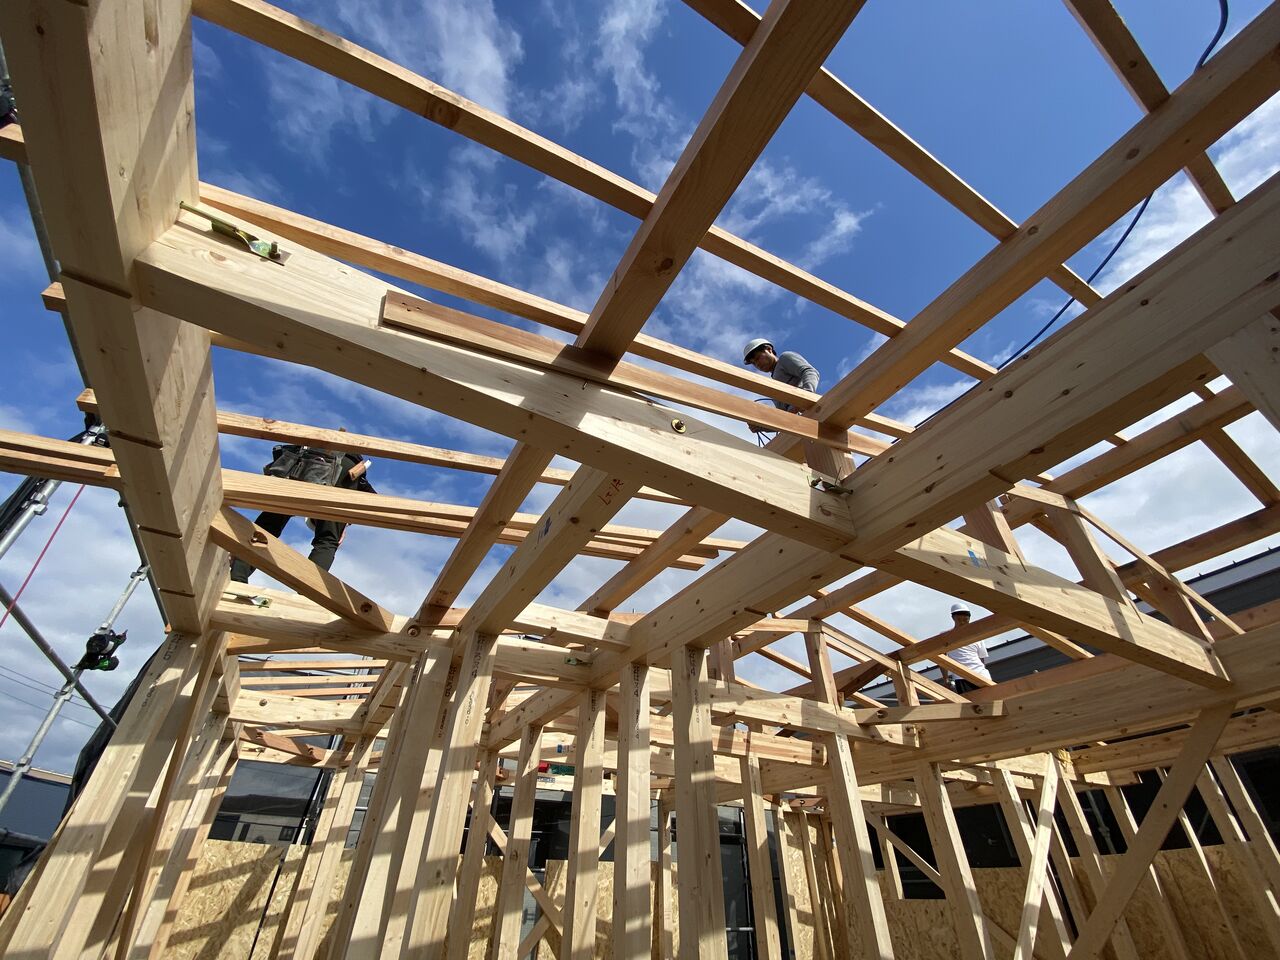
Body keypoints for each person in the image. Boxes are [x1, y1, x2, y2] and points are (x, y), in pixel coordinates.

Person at [229, 443, 375, 583]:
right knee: (327, 540)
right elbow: (371, 499)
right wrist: (341, 525)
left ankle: (238, 576)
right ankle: (307, 593)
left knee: (268, 526)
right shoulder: (356, 484)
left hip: (308, 459)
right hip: (342, 466)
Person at [742, 338, 819, 414]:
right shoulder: (773, 385)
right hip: (799, 420)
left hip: (810, 413)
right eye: (754, 363)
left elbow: (810, 372)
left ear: (769, 349)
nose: (757, 364)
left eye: (758, 358)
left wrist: (806, 395)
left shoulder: (784, 359)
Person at [942, 601, 992, 693]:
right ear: (953, 618)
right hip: (961, 676)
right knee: (969, 701)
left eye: (965, 620)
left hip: (981, 674)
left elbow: (981, 659)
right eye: (959, 619)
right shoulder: (946, 636)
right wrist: (946, 679)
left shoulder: (977, 636)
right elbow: (942, 659)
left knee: (991, 699)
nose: (962, 622)